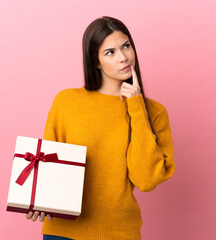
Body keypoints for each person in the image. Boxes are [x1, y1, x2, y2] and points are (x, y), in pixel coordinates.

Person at [26, 16, 175, 240]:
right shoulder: (67, 102)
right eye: (110, 52)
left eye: (126, 46)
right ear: (95, 61)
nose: (123, 57)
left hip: (117, 233)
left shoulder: (153, 113)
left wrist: (136, 107)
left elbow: (146, 180)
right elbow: (48, 161)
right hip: (63, 231)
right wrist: (39, 200)